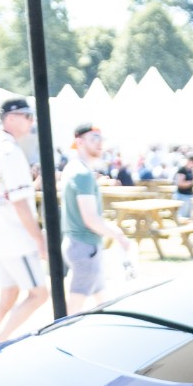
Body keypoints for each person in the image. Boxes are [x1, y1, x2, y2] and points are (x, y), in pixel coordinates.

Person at [0, 97, 51, 343]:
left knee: (8, 293)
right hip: (15, 235)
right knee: (39, 294)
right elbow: (19, 202)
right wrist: (39, 238)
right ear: (10, 118)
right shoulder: (10, 151)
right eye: (26, 115)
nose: (31, 121)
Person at [62, 123, 130, 313]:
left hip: (82, 244)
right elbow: (90, 219)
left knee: (101, 300)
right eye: (94, 138)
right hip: (84, 245)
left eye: (100, 138)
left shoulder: (73, 169)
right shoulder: (82, 174)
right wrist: (117, 234)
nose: (99, 143)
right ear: (79, 142)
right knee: (73, 310)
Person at [173, 156, 193, 220]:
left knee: (188, 217)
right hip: (182, 196)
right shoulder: (182, 170)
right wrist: (191, 182)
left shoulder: (191, 170)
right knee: (182, 217)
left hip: (189, 196)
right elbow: (180, 184)